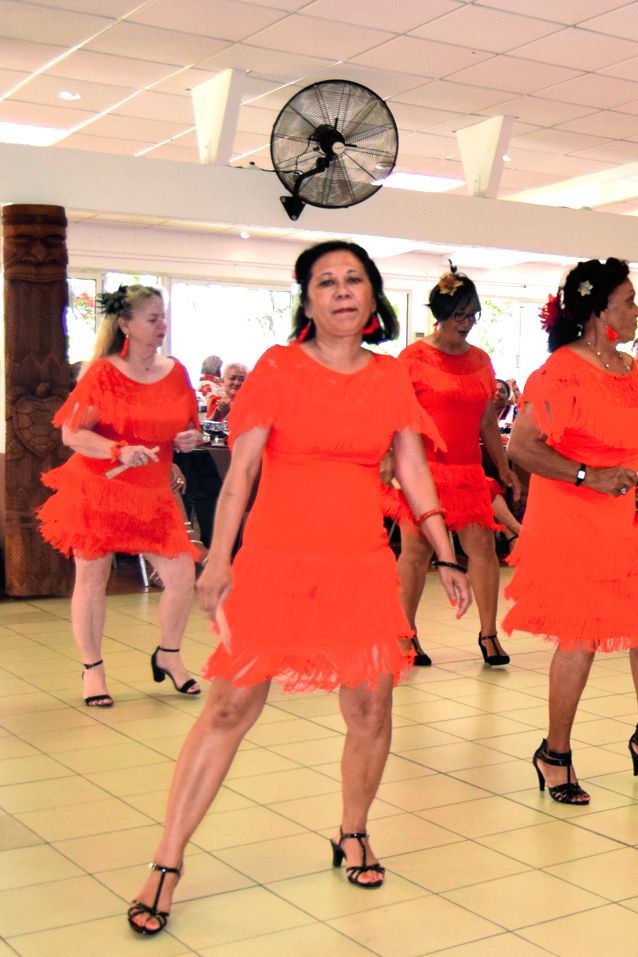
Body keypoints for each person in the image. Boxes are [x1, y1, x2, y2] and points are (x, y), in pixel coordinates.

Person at [124, 241, 470, 937]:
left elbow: (412, 470)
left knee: (370, 705)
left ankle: (353, 830)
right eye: (326, 282)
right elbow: (241, 473)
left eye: (354, 280)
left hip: (361, 562)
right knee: (229, 707)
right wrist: (218, 560)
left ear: (372, 297)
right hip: (276, 559)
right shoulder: (279, 368)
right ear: (306, 300)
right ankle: (166, 859)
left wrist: (446, 551)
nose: (341, 291)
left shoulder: (390, 378)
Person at [506, 258, 638, 805]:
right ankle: (555, 752)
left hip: (618, 516)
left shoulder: (630, 370)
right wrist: (588, 474)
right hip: (568, 516)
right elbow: (523, 447)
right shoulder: (560, 370)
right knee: (578, 637)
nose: (636, 310)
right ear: (599, 310)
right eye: (628, 300)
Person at [38, 285, 205, 709]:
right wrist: (118, 450)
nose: (162, 325)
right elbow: (71, 433)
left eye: (163, 317)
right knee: (93, 578)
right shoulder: (103, 373)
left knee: (182, 574)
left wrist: (189, 438)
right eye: (153, 318)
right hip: (101, 486)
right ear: (126, 324)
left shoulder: (176, 371)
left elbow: (189, 425)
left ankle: (169, 654)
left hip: (153, 493)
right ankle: (92, 669)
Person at [391, 268, 518, 667]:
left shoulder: (481, 360)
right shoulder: (413, 358)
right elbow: (395, 419)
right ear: (441, 313)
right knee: (415, 550)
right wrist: (386, 464)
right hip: (424, 471)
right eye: (459, 315)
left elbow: (486, 423)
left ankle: (489, 633)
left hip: (466, 470)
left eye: (473, 315)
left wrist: (503, 466)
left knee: (481, 548)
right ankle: (404, 635)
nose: (466, 324)